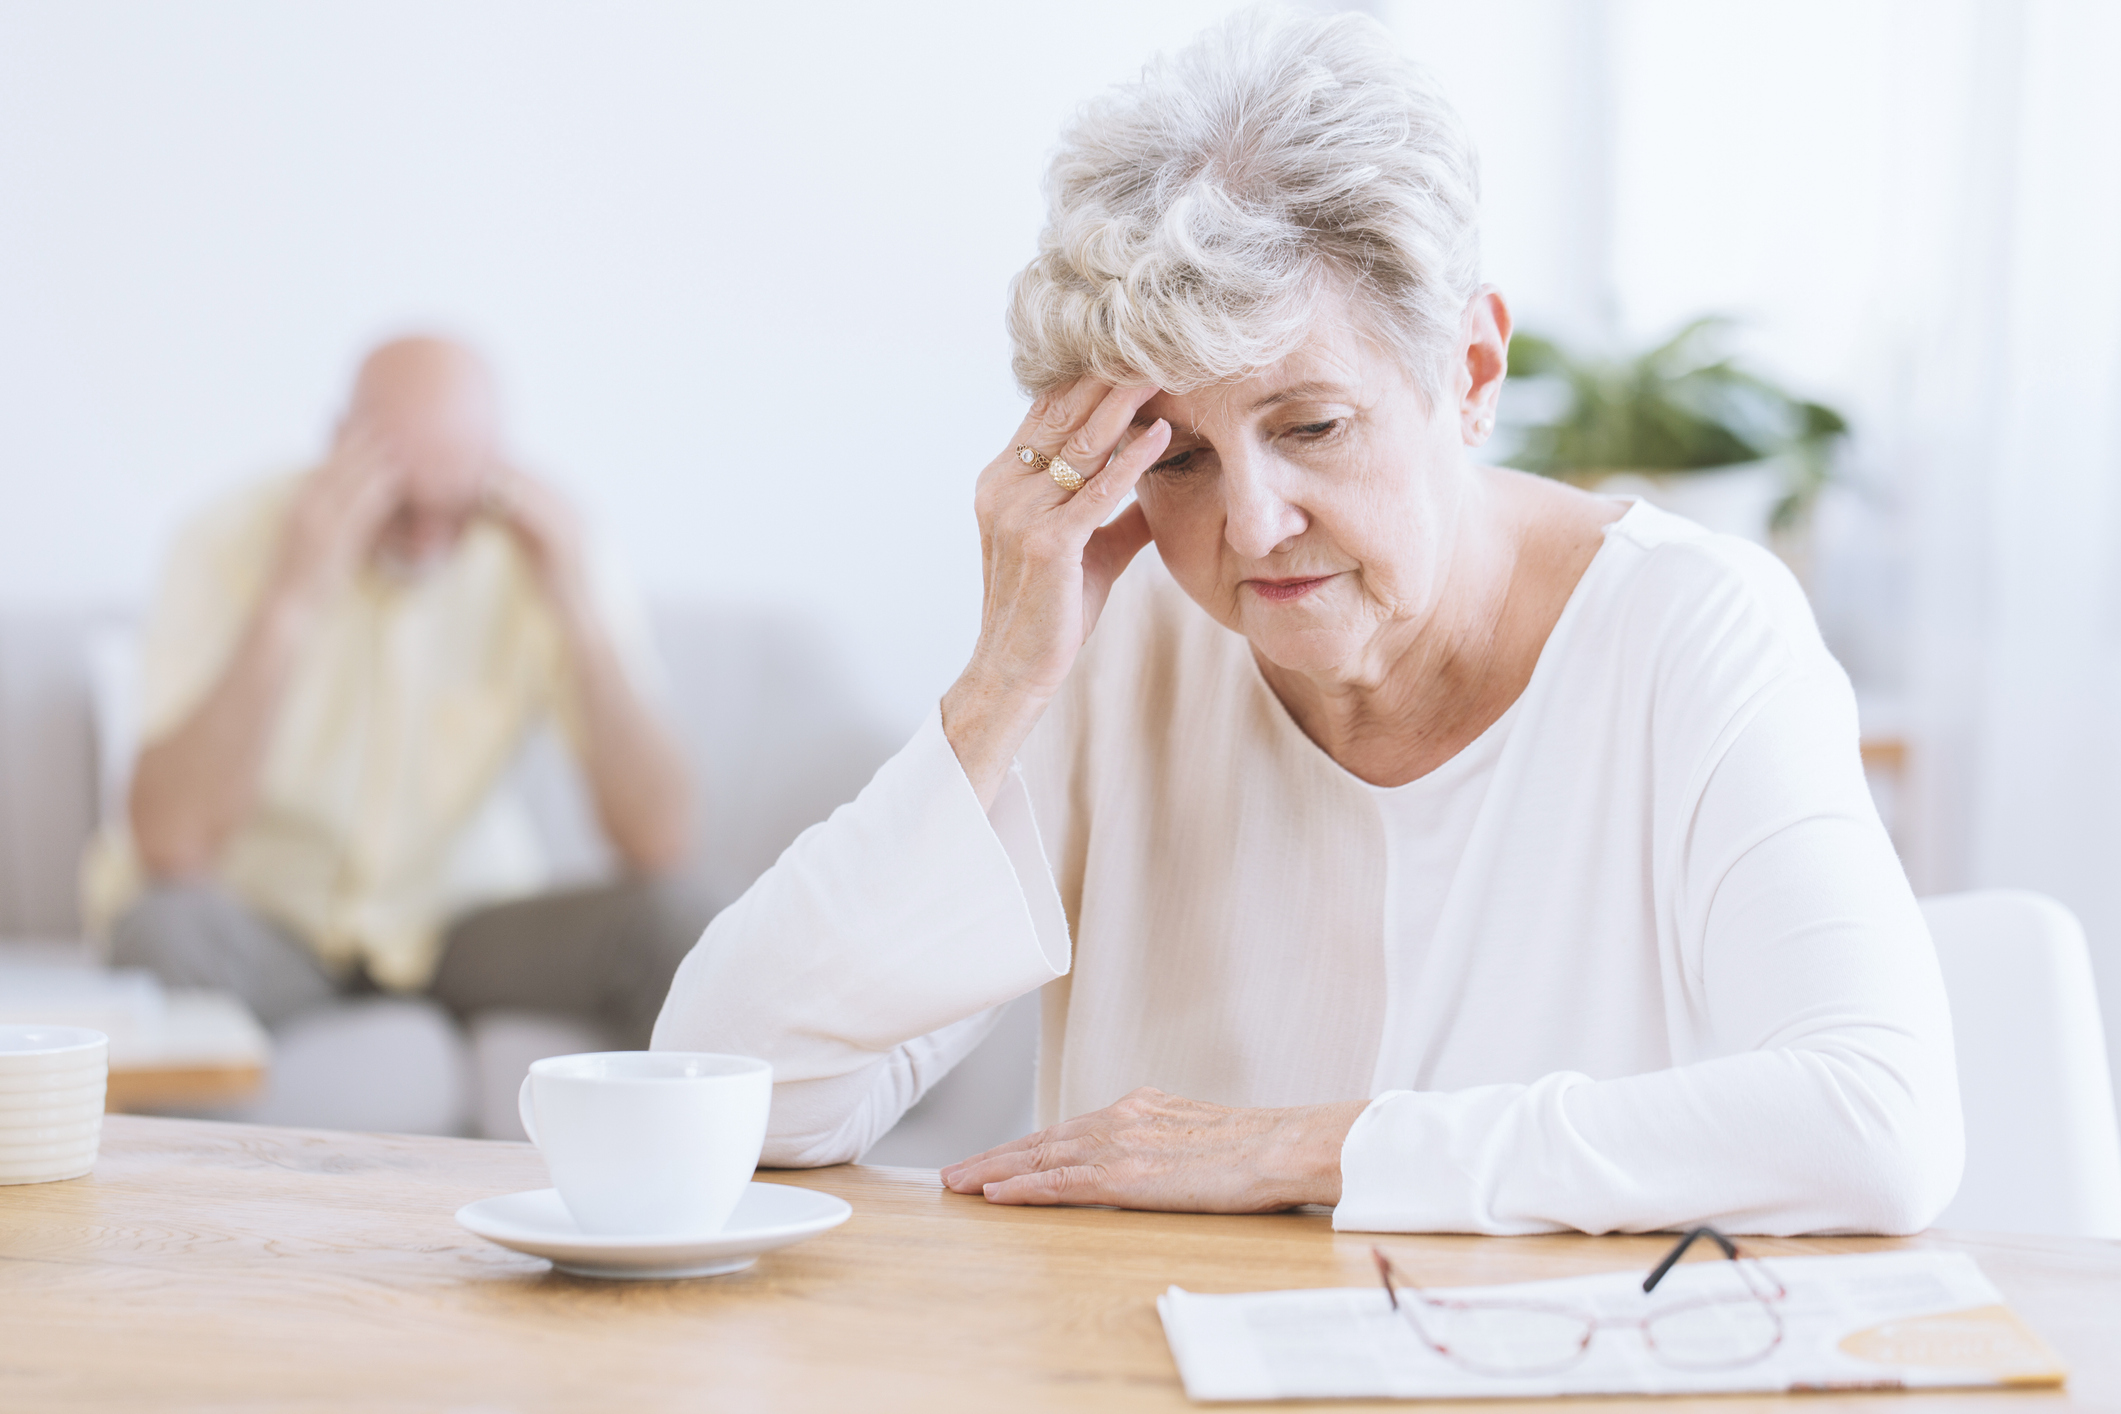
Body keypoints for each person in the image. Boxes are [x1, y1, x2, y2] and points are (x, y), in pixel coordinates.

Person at [652, 13, 1963, 1234]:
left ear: (1469, 372)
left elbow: (1877, 1120)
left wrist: (1310, 1150)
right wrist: (1000, 681)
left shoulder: (1692, 630)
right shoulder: (1124, 639)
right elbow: (732, 1095)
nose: (1253, 525)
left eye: (1312, 428)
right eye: (1177, 458)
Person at [88, 336, 706, 1048]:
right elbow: (168, 841)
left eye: (455, 507)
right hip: (269, 928)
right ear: (339, 444)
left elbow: (663, 842)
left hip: (458, 930)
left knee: (682, 922)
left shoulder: (546, 552)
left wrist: (579, 611)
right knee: (161, 930)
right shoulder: (225, 538)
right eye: (400, 505)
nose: (424, 542)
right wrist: (288, 602)